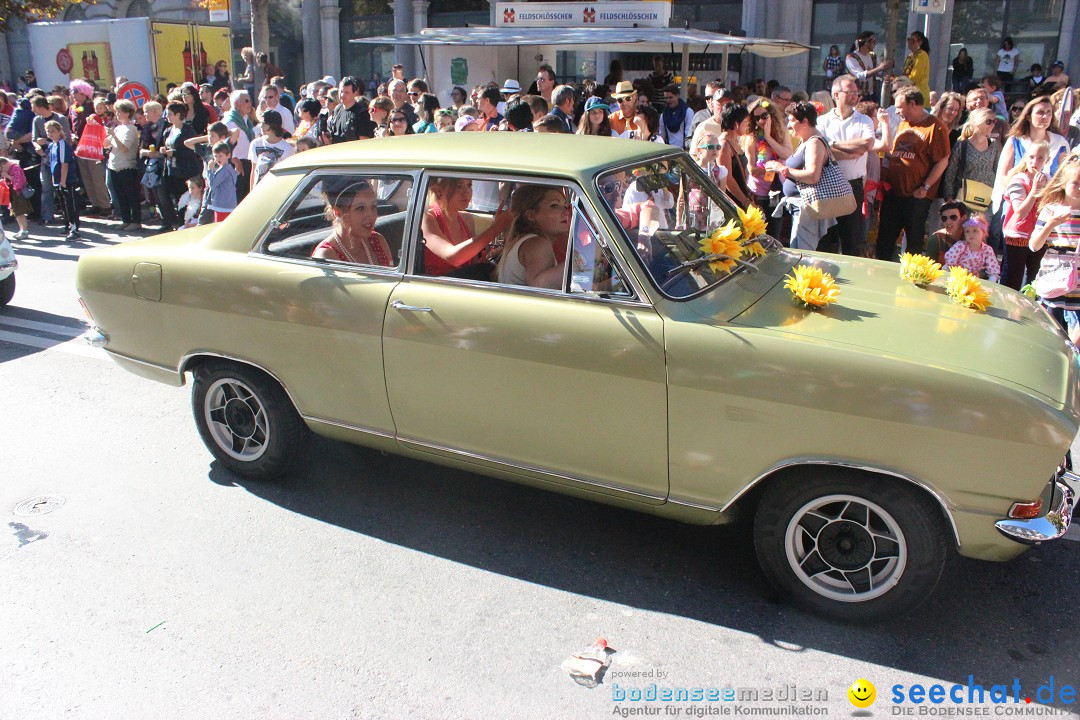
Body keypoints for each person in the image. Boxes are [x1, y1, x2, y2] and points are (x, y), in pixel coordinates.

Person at [875, 87, 951, 260]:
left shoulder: (935, 126)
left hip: (917, 196)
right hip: (893, 192)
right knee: (884, 240)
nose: (897, 111)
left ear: (913, 104)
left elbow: (942, 160)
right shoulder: (904, 123)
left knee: (914, 243)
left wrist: (925, 187)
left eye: (900, 107)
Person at [817, 75, 883, 256]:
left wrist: (833, 145)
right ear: (836, 94)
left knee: (851, 239)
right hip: (828, 183)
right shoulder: (823, 121)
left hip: (852, 185)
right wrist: (848, 150)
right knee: (827, 237)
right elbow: (821, 152)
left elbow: (867, 145)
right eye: (850, 91)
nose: (855, 95)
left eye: (856, 91)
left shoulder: (864, 120)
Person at [765, 101, 841, 250]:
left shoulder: (815, 143)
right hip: (800, 208)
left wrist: (781, 168)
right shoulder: (805, 141)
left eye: (792, 120)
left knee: (803, 257)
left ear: (805, 121)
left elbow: (813, 176)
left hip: (807, 210)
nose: (788, 125)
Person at [1029, 156, 1080, 343]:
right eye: (1076, 183)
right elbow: (1034, 245)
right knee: (1050, 332)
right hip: (1055, 277)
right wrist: (1051, 224)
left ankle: (1070, 358)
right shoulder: (1051, 210)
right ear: (1064, 184)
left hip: (1078, 284)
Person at [421, 177, 514, 277]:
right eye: (459, 186)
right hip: (438, 287)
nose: (466, 192)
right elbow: (453, 257)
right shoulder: (428, 219)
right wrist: (497, 228)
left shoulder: (466, 219)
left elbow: (472, 262)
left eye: (469, 185)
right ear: (439, 191)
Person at [496, 185, 570, 289]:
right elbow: (538, 290)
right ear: (531, 215)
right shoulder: (537, 244)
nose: (566, 212)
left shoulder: (526, 241)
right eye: (554, 206)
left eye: (566, 206)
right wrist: (581, 261)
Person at [1000, 141, 1050, 289]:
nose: (1035, 162)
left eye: (1040, 158)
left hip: (1037, 235)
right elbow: (1020, 212)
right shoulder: (1019, 180)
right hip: (1018, 235)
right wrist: (1035, 190)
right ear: (1026, 158)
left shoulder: (1046, 181)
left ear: (1047, 161)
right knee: (1012, 278)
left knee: (1034, 278)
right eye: (1032, 157)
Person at [311, 178, 394, 266]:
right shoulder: (326, 255)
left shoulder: (377, 240)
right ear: (337, 212)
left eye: (373, 206)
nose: (371, 215)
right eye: (360, 208)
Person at [995, 96, 1070, 190]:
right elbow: (1003, 177)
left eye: (1048, 112)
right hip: (1018, 198)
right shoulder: (1016, 142)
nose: (1045, 117)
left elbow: (1065, 178)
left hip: (1049, 200)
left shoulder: (1060, 144)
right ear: (1028, 117)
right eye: (1040, 112)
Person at [744, 96, 792, 234]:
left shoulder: (781, 133)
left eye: (764, 116)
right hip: (759, 193)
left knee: (775, 233)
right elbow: (752, 169)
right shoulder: (752, 138)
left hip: (777, 191)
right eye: (756, 118)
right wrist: (770, 166)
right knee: (759, 234)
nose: (761, 121)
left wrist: (769, 138)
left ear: (771, 115)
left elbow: (787, 154)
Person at [942, 107, 1001, 216]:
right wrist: (949, 199)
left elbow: (998, 171)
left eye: (994, 121)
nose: (992, 125)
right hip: (964, 200)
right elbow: (950, 174)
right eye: (988, 121)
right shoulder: (962, 145)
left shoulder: (994, 145)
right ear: (976, 122)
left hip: (987, 200)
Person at [161, 101, 203, 232]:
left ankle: (185, 224)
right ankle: (175, 223)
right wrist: (164, 151)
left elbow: (192, 150)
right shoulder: (168, 130)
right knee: (173, 199)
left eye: (170, 114)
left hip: (185, 171)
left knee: (185, 199)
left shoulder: (187, 130)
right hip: (171, 169)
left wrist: (174, 153)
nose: (167, 116)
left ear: (179, 114)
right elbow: (166, 145)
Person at [30, 95, 70, 226]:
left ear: (41, 107)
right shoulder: (37, 120)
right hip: (45, 158)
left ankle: (68, 216)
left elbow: (67, 139)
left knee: (63, 187)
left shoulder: (60, 119)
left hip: (59, 157)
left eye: (33, 106)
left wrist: (46, 142)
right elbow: (35, 139)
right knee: (46, 187)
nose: (32, 109)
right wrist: (38, 147)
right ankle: (47, 216)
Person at [104, 99, 141, 231]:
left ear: (127, 112)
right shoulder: (118, 128)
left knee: (131, 194)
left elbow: (125, 148)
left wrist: (113, 136)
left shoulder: (131, 129)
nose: (117, 114)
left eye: (119, 111)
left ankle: (136, 220)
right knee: (120, 194)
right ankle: (126, 219)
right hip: (114, 165)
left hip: (127, 166)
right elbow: (105, 144)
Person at [45, 119, 79, 241]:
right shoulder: (51, 145)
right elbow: (53, 164)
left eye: (52, 131)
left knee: (70, 204)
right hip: (57, 180)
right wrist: (55, 181)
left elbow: (64, 164)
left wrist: (63, 182)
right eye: (48, 132)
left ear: (59, 131)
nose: (50, 134)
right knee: (63, 205)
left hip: (66, 180)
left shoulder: (62, 144)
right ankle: (67, 225)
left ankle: (75, 229)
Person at [717, 103, 753, 209]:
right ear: (737, 123)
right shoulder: (724, 144)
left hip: (741, 197)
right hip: (733, 202)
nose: (747, 125)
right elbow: (727, 179)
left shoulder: (734, 141)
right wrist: (745, 202)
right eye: (745, 122)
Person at [944, 214, 1000, 281]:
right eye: (967, 231)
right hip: (956, 278)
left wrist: (991, 284)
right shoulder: (960, 246)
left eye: (975, 230)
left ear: (984, 233)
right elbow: (949, 264)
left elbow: (993, 271)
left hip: (974, 280)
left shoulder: (987, 250)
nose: (970, 234)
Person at [248, 109, 293, 190]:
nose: (261, 126)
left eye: (264, 123)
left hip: (275, 190)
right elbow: (254, 170)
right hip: (258, 190)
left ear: (272, 125)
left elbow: (287, 175)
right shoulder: (255, 144)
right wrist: (251, 192)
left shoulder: (287, 149)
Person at [846, 32, 892, 101]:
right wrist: (880, 67)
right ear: (867, 43)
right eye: (873, 41)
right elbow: (860, 75)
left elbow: (878, 72)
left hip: (872, 93)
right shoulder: (851, 57)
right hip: (857, 95)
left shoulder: (872, 56)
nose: (875, 44)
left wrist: (885, 75)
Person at [204, 141, 238, 223]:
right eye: (215, 156)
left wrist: (209, 170)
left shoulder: (224, 170)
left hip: (222, 205)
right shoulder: (229, 169)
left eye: (221, 156)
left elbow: (212, 184)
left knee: (219, 225)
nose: (218, 158)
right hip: (229, 203)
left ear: (228, 155)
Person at [0, 157, 31, 239]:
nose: (2, 170)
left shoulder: (15, 168)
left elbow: (19, 183)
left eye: (2, 168)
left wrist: (7, 176)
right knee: (16, 213)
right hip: (12, 193)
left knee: (20, 213)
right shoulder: (8, 169)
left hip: (18, 193)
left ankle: (25, 231)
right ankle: (21, 230)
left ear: (4, 164)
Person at [659, 84, 695, 149]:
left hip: (684, 151)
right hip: (669, 151)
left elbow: (689, 134)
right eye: (666, 98)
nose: (668, 101)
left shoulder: (688, 112)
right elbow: (662, 136)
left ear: (677, 96)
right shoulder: (663, 115)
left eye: (670, 97)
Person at [903, 31, 931, 103]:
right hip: (910, 93)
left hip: (920, 94)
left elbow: (914, 77)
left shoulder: (922, 55)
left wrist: (898, 80)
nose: (909, 42)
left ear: (920, 42)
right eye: (908, 39)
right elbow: (905, 73)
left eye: (912, 40)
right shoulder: (910, 56)